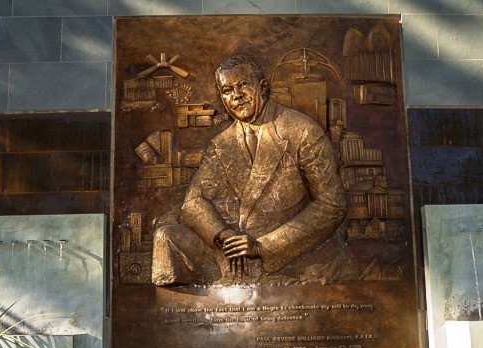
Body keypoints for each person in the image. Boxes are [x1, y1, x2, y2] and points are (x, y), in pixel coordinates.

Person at [152, 55, 356, 286]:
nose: (236, 96)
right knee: (166, 236)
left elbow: (332, 205)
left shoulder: (302, 130)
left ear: (263, 88)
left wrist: (263, 247)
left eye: (243, 85)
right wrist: (223, 235)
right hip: (241, 256)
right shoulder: (222, 144)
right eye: (227, 90)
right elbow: (193, 202)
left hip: (298, 260)